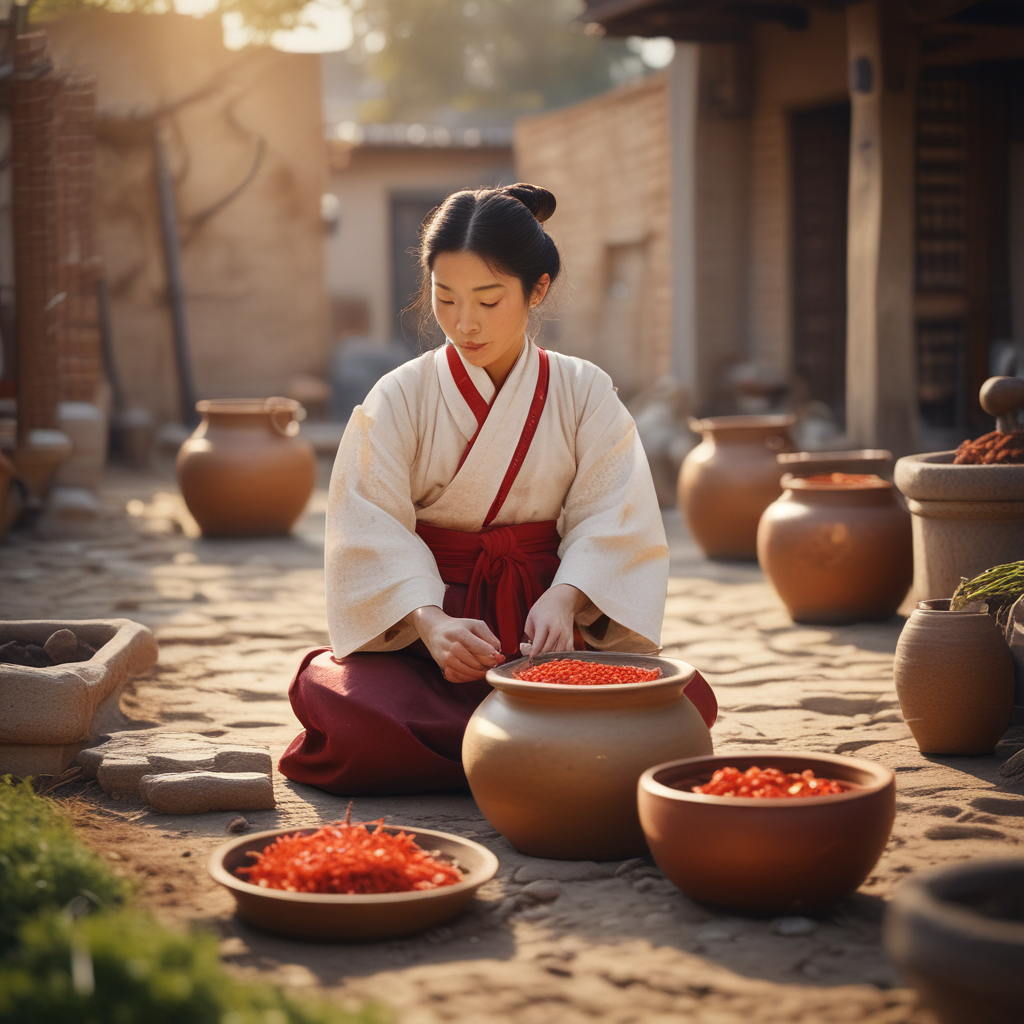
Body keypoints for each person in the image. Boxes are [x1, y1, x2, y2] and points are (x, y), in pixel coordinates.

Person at [279, 183, 715, 795]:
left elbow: (613, 515)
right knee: (347, 708)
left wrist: (568, 597)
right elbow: (368, 525)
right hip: (429, 639)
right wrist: (430, 623)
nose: (464, 322)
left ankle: (491, 752)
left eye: (488, 299)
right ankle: (546, 753)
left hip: (549, 628)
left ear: (537, 290)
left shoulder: (584, 390)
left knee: (686, 699)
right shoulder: (398, 396)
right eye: (446, 297)